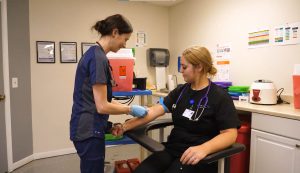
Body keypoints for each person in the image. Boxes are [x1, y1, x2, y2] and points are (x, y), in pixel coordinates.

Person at [112, 46, 241, 173]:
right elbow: (153, 112)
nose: (180, 70)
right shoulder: (180, 91)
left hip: (198, 156)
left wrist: (204, 148)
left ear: (199, 67)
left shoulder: (219, 96)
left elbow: (230, 134)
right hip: (172, 149)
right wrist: (125, 126)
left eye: (184, 67)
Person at [70, 14, 148, 173]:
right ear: (115, 32)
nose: (125, 45)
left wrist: (109, 126)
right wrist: (130, 109)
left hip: (89, 126)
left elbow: (101, 99)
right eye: (125, 39)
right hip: (88, 131)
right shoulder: (98, 58)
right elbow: (102, 106)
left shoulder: (95, 54)